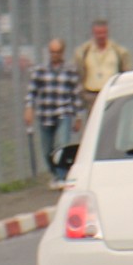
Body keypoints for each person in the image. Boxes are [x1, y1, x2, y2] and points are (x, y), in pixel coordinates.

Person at [24, 38, 85, 187]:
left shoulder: (70, 71)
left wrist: (78, 116)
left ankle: (61, 176)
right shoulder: (40, 71)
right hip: (45, 114)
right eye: (52, 52)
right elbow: (32, 92)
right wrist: (29, 108)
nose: (55, 55)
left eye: (57, 52)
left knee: (61, 145)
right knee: (47, 150)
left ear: (62, 52)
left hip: (63, 112)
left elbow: (75, 94)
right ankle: (54, 172)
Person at [73, 19, 133, 112]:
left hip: (111, 93)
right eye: (98, 33)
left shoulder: (118, 51)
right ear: (93, 33)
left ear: (108, 33)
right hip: (91, 95)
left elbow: (126, 70)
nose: (101, 36)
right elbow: (78, 72)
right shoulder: (84, 51)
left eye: (103, 33)